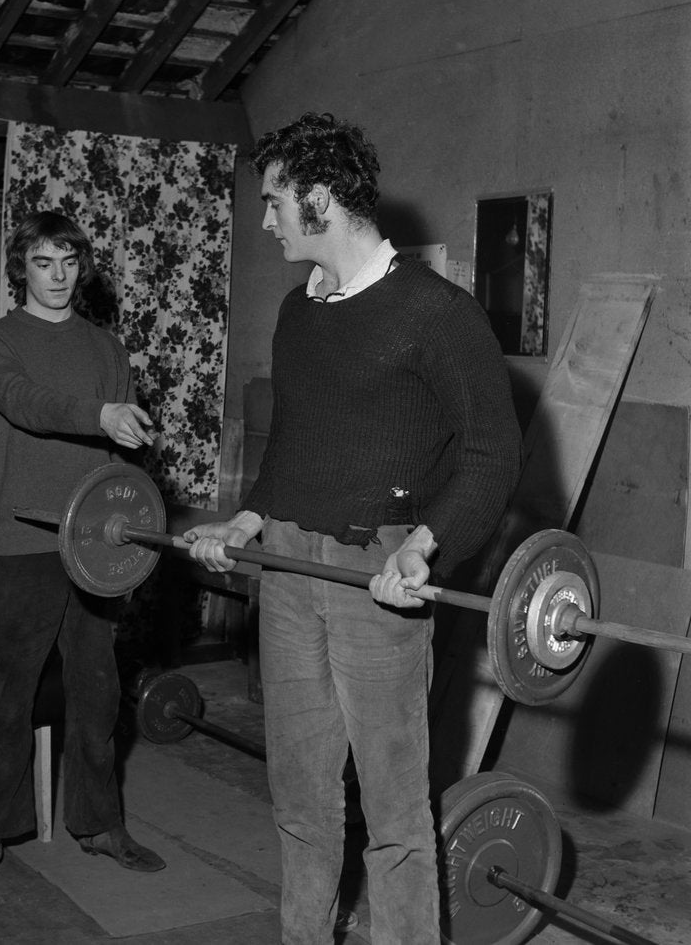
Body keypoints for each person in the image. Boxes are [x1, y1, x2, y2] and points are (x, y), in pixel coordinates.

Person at [184, 113, 522, 945]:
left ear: (321, 200)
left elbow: (493, 451)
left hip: (379, 574)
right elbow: (293, 442)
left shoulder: (436, 312)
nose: (263, 221)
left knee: (395, 814)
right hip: (290, 570)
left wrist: (424, 542)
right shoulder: (299, 312)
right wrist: (249, 518)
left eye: (274, 203)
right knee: (300, 797)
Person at [0, 210, 165, 899]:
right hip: (22, 539)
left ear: (82, 267)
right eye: (43, 263)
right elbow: (25, 403)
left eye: (68, 263)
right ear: (22, 267)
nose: (56, 276)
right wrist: (99, 415)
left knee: (99, 692)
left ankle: (99, 823)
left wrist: (136, 523)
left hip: (97, 545)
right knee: (7, 697)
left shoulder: (108, 348)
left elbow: (122, 453)